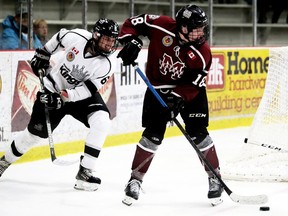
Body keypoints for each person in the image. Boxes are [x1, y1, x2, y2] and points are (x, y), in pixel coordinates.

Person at [117, 4, 223, 206]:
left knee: (199, 134)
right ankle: (135, 180)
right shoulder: (161, 25)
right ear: (182, 27)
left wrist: (177, 98)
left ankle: (214, 178)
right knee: (152, 135)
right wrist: (130, 41)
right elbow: (131, 23)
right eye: (195, 29)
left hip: (189, 92)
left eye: (202, 28)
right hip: (157, 89)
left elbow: (194, 84)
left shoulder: (203, 52)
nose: (201, 33)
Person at [0, 18, 119, 191]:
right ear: (96, 35)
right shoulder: (78, 36)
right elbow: (60, 36)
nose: (110, 44)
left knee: (102, 120)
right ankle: (4, 162)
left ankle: (85, 171)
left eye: (113, 40)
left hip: (79, 95)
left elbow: (87, 90)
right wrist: (45, 52)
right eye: (107, 39)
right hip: (51, 88)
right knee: (33, 135)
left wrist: (64, 98)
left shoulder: (108, 63)